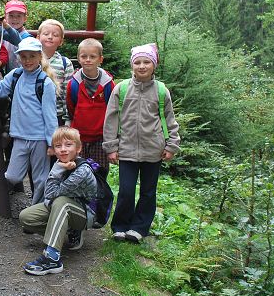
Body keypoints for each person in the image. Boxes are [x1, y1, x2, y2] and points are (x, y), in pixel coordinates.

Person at [103, 43, 180, 244]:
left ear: (154, 65)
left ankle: (139, 228)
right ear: (132, 65)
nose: (142, 66)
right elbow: (111, 119)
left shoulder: (161, 91)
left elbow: (169, 119)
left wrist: (171, 145)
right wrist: (111, 147)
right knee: (126, 191)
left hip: (154, 150)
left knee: (148, 192)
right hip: (126, 149)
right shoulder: (122, 88)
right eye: (137, 62)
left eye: (147, 62)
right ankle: (120, 227)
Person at [19, 127, 98, 275]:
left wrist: (56, 169)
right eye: (58, 146)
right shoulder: (60, 164)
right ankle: (69, 231)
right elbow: (49, 195)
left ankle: (52, 258)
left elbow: (51, 194)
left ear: (78, 148)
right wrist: (58, 168)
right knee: (26, 217)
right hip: (61, 206)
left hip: (83, 214)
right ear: (54, 150)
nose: (63, 149)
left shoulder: (82, 171)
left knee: (62, 201)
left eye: (68, 145)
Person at [0, 37, 58, 204]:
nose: (27, 61)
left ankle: (37, 211)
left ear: (39, 57)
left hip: (40, 138)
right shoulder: (15, 75)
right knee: (13, 175)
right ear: (19, 57)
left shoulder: (45, 83)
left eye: (32, 56)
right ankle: (1, 197)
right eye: (24, 57)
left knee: (40, 178)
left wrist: (52, 143)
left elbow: (50, 116)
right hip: (19, 136)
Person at [67, 38, 115, 171]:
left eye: (92, 57)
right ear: (78, 58)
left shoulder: (108, 84)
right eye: (84, 56)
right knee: (78, 171)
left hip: (101, 138)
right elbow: (71, 108)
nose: (88, 60)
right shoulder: (73, 84)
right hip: (78, 138)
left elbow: (112, 110)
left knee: (100, 172)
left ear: (100, 59)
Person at [38, 19, 74, 126]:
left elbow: (67, 92)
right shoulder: (31, 60)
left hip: (56, 113)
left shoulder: (65, 63)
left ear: (61, 41)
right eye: (46, 34)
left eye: (55, 35)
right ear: (38, 37)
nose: (50, 37)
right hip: (34, 112)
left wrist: (67, 118)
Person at [1, 0, 32, 72]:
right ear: (5, 17)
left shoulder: (28, 38)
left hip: (23, 74)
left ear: (25, 18)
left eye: (19, 16)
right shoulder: (3, 34)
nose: (15, 19)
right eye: (11, 16)